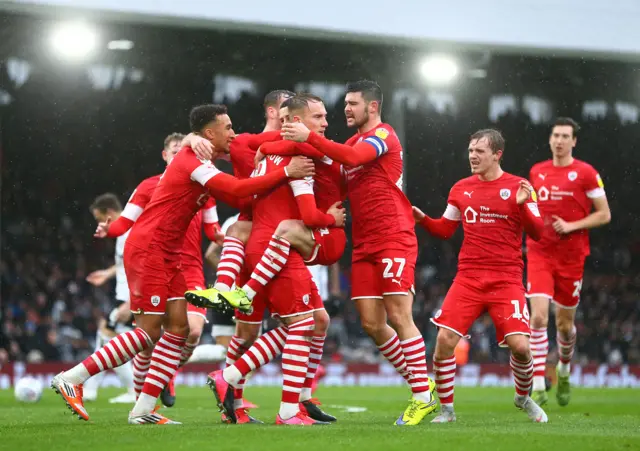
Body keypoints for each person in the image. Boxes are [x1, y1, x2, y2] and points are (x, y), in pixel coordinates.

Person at [50, 104, 314, 424]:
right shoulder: (193, 161)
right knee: (148, 332)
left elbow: (253, 154)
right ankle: (72, 378)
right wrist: (286, 172)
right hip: (149, 248)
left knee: (180, 330)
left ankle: (143, 410)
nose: (233, 133)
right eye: (227, 127)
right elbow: (235, 190)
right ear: (209, 133)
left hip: (169, 253)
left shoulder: (203, 156)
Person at [280, 80, 436, 425]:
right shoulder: (349, 142)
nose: (346, 109)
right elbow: (332, 163)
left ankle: (422, 398)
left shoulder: (384, 136)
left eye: (353, 103)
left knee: (398, 315)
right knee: (371, 322)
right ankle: (421, 384)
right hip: (364, 241)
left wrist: (311, 138)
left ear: (373, 107)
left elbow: (350, 157)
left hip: (394, 234)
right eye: (346, 103)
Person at [188, 94, 346, 423]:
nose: (324, 124)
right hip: (276, 245)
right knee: (298, 325)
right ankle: (242, 386)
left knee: (308, 322)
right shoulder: (296, 155)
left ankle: (291, 401)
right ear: (286, 117)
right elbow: (307, 209)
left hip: (260, 238)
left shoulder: (265, 150)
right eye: (317, 117)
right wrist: (331, 218)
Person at [413, 128, 548, 423]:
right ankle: (447, 410)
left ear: (497, 154)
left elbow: (538, 233)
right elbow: (445, 230)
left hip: (506, 278)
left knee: (522, 347)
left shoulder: (520, 187)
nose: (473, 156)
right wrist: (423, 219)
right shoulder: (460, 188)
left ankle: (523, 398)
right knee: (444, 340)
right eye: (471, 150)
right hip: (469, 278)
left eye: (480, 151)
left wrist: (524, 204)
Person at [526, 117, 611, 406]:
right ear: (550, 139)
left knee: (564, 325)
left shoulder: (586, 173)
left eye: (565, 136)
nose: (559, 140)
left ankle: (563, 369)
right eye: (555, 135)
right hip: (539, 252)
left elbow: (604, 214)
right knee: (537, 316)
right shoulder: (537, 172)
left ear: (574, 141)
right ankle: (538, 383)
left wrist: (572, 226)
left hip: (572, 256)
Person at [83, 193, 136, 404]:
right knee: (106, 337)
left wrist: (132, 302)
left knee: (107, 337)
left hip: (130, 296)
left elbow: (141, 267)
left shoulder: (129, 231)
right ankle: (91, 389)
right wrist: (107, 273)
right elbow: (124, 264)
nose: (98, 224)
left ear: (110, 214)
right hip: (123, 294)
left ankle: (132, 391)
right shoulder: (123, 232)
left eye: (99, 219)